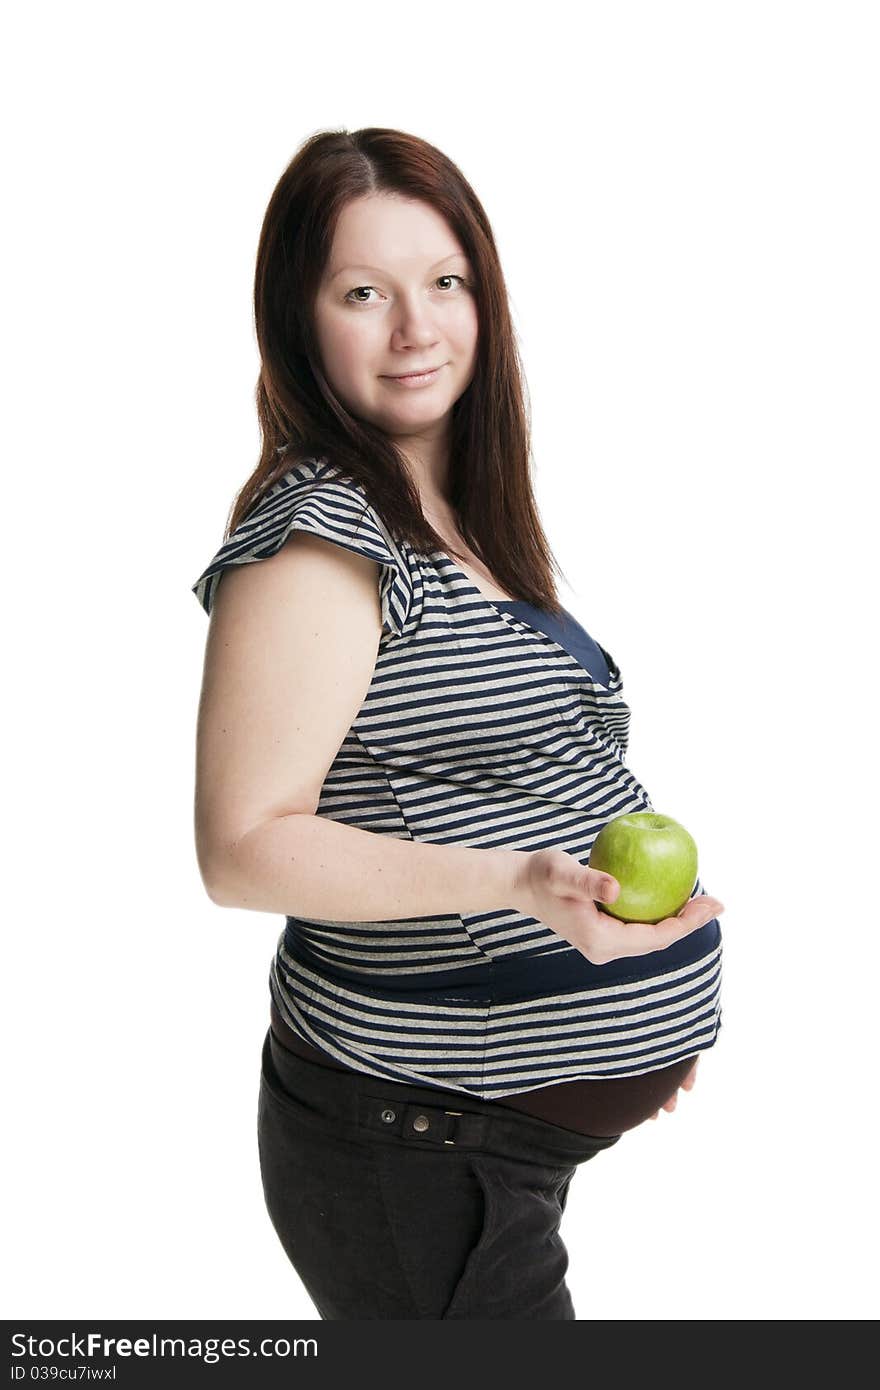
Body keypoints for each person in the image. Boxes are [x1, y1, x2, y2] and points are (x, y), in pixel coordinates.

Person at [191, 127, 726, 1320]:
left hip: (481, 1142)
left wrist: (621, 1024)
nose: (414, 328)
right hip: (410, 1149)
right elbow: (242, 848)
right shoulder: (324, 537)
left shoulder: (459, 513)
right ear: (298, 317)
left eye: (444, 282)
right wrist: (527, 888)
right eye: (361, 292)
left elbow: (525, 766)